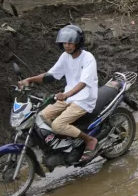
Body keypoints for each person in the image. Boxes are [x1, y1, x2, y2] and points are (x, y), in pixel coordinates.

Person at [17, 25, 101, 161]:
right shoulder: (65, 57)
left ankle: (89, 140)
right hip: (68, 97)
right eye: (64, 43)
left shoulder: (88, 58)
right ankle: (62, 142)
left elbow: (83, 83)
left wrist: (67, 94)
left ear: (78, 42)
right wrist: (29, 80)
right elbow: (51, 75)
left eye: (70, 43)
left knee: (58, 125)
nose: (67, 46)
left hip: (84, 99)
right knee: (41, 116)